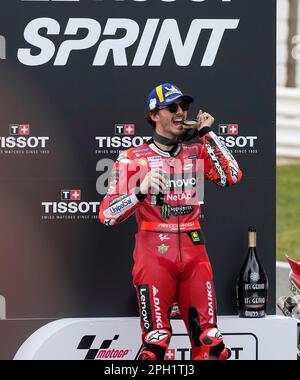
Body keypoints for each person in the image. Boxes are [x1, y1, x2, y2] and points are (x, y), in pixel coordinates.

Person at [99, 83, 243, 360]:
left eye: (184, 107)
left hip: (194, 251)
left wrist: (208, 134)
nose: (181, 112)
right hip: (153, 253)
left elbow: (232, 175)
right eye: (172, 107)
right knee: (155, 345)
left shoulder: (196, 152)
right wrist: (139, 191)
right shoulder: (132, 158)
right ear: (154, 114)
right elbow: (107, 215)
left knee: (211, 342)